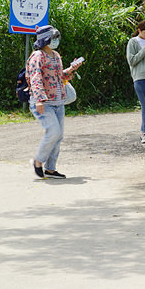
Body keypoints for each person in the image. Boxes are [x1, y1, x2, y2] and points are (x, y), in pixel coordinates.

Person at [26, 24, 84, 179]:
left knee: (58, 136)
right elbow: (35, 78)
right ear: (45, 39)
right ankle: (38, 161)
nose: (56, 41)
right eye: (53, 37)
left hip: (58, 101)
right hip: (44, 102)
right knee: (53, 132)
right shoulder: (37, 56)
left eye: (57, 37)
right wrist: (39, 100)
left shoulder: (56, 55)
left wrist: (71, 70)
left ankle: (50, 169)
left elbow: (58, 77)